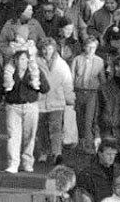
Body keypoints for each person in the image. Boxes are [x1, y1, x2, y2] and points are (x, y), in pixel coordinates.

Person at [4, 47, 49, 173]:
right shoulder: (9, 71)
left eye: (23, 59)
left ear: (28, 59)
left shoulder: (34, 71)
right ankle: (13, 163)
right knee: (13, 135)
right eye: (18, 59)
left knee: (29, 136)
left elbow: (45, 88)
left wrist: (36, 83)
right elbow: (3, 88)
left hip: (30, 106)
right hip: (13, 106)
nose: (20, 62)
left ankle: (27, 162)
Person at [37, 37, 75, 166]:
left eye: (49, 48)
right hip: (40, 102)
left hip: (57, 101)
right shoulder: (36, 62)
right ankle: (43, 151)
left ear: (54, 49)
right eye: (44, 49)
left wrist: (69, 98)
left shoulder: (61, 64)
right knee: (41, 129)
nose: (47, 51)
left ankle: (56, 153)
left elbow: (67, 82)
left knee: (56, 128)